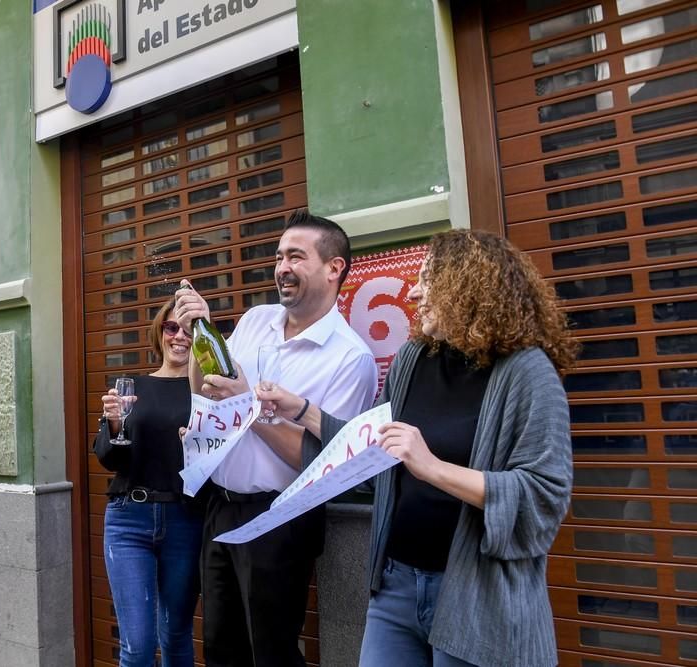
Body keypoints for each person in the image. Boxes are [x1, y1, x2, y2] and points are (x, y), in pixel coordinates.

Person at [257, 229, 577, 667]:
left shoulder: (526, 372)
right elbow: (375, 450)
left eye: (429, 280)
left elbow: (544, 496)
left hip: (475, 593)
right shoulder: (413, 359)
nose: (415, 292)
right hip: (396, 588)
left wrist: (432, 467)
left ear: (469, 286)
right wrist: (303, 410)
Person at [174, 209, 378, 667]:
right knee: (222, 650)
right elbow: (202, 390)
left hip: (280, 519)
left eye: (296, 256)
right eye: (280, 255)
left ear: (334, 267)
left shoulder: (350, 358)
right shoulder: (255, 319)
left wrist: (248, 407)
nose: (282, 267)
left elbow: (323, 464)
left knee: (271, 653)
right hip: (220, 507)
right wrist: (200, 335)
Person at [93, 298, 203, 667]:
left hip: (185, 519)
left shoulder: (207, 393)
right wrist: (112, 424)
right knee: (137, 646)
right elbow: (111, 459)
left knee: (176, 637)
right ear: (160, 332)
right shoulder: (131, 387)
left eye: (189, 330)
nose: (180, 336)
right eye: (172, 327)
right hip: (129, 519)